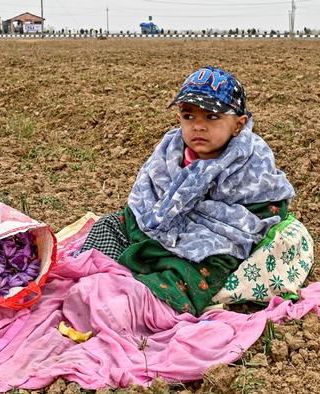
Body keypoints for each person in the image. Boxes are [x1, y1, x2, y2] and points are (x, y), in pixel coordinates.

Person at [79, 66, 297, 315]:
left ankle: (144, 300)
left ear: (238, 124)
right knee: (109, 224)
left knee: (197, 269)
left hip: (208, 243)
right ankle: (98, 277)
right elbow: (149, 196)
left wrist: (195, 227)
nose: (198, 126)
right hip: (159, 228)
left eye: (212, 117)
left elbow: (262, 210)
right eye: (188, 116)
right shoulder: (169, 151)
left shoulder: (251, 164)